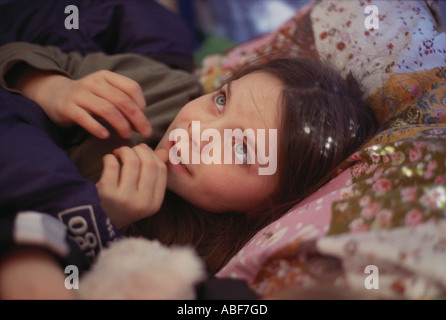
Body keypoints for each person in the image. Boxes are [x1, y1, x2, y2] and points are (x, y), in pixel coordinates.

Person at [0, 42, 379, 298]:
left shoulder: (195, 265)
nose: (197, 132)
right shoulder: (157, 90)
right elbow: (18, 53)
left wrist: (102, 217)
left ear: (266, 206)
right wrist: (51, 88)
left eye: (240, 147)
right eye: (220, 101)